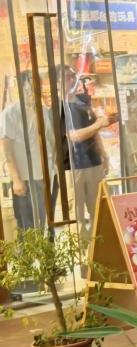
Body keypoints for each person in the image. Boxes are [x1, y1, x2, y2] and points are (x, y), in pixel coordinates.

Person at [61, 68, 115, 244]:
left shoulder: (82, 104)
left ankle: (99, 249)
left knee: (97, 208)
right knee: (76, 213)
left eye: (73, 77)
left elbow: (95, 133)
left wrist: (104, 156)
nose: (73, 81)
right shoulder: (59, 108)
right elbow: (73, 135)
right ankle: (82, 252)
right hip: (73, 166)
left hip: (93, 162)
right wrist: (99, 124)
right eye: (69, 77)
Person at [1, 72, 54, 232]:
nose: (33, 90)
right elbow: (5, 146)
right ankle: (28, 258)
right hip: (24, 178)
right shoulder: (11, 113)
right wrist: (16, 178)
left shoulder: (44, 110)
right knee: (27, 228)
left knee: (45, 225)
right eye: (30, 86)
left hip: (44, 177)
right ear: (22, 88)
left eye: (36, 85)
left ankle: (46, 257)